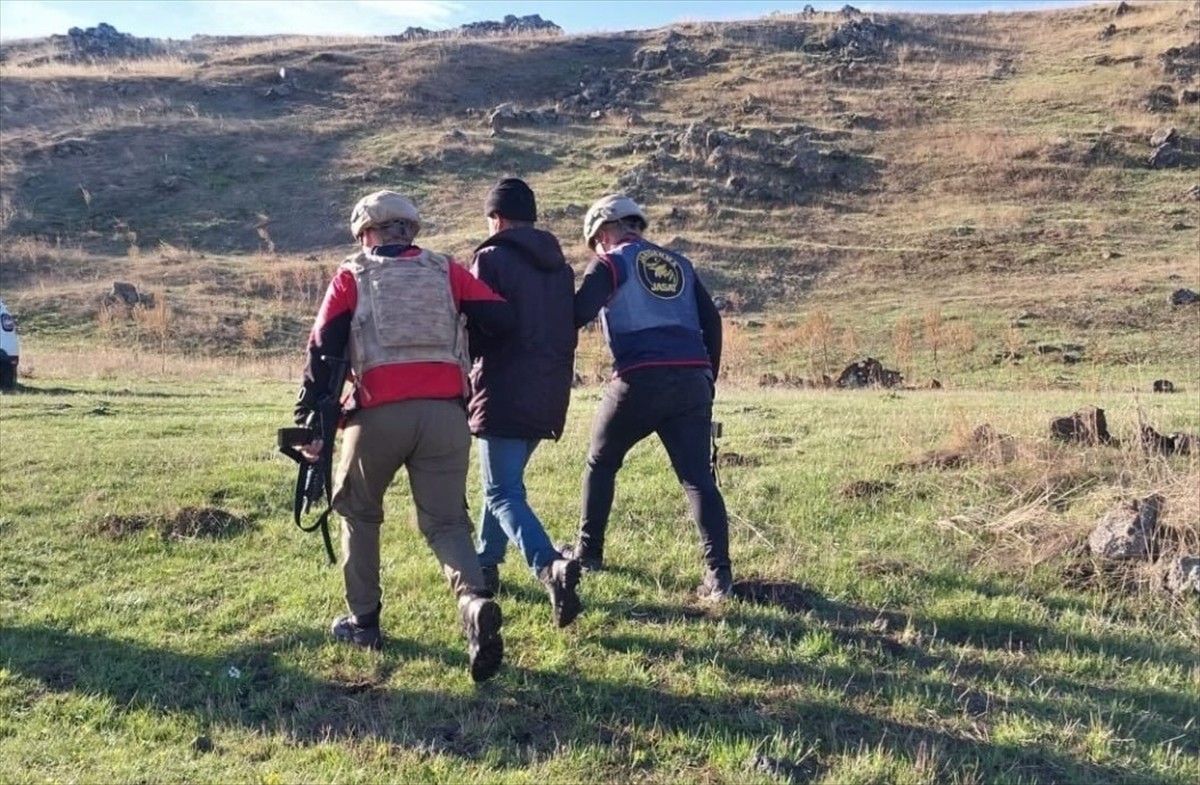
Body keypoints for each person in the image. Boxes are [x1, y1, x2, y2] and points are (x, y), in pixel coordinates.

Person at [293, 190, 514, 681]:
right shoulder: (446, 271)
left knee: (358, 512)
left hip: (376, 414)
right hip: (446, 416)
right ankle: (474, 604)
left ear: (365, 232)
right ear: (409, 230)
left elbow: (322, 346)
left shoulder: (352, 274)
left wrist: (312, 415)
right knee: (448, 523)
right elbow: (502, 319)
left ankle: (364, 623)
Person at [564, 194, 734, 601]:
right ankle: (719, 577)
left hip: (639, 378)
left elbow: (579, 312)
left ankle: (589, 554)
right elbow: (711, 321)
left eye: (595, 241)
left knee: (601, 462)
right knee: (697, 479)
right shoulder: (679, 264)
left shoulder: (610, 262)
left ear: (603, 232)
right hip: (691, 378)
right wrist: (708, 374)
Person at [466, 178, 583, 628]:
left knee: (501, 491)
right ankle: (485, 562)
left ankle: (548, 565)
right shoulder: (560, 268)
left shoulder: (490, 258)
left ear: (496, 218)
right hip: (549, 392)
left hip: (502, 388)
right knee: (504, 484)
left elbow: (479, 321)